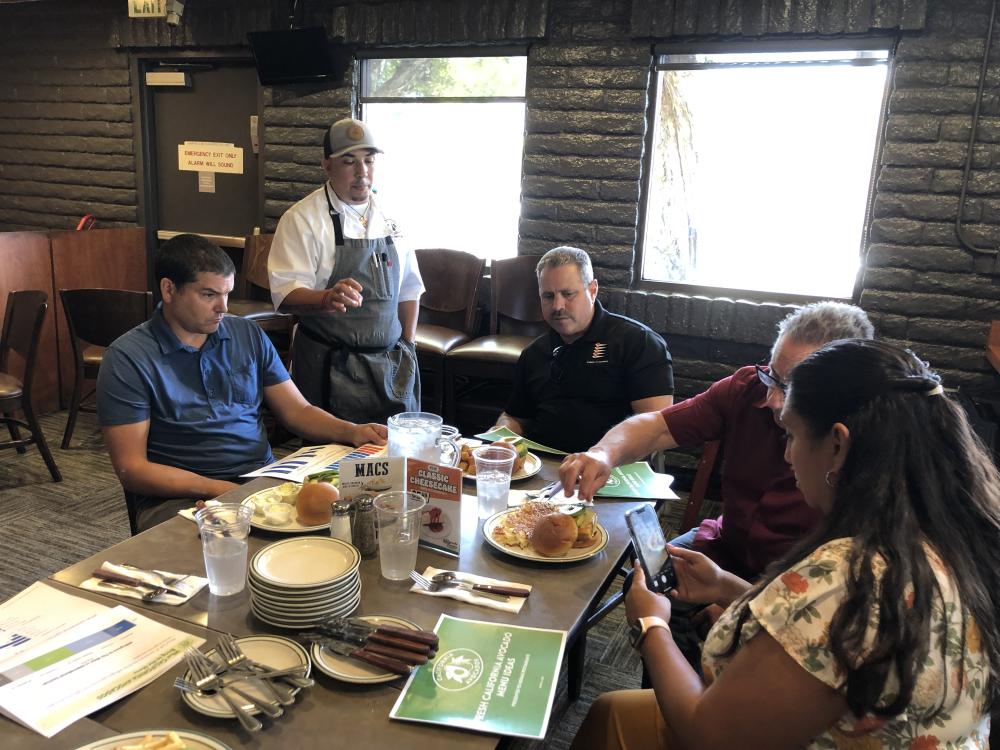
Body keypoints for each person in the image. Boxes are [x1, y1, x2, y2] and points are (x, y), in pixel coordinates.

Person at [570, 339, 1000, 750]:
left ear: (838, 443)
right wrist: (728, 586)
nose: (788, 453)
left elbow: (710, 737)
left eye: (792, 436)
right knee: (614, 710)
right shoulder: (955, 536)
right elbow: (824, 638)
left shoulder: (847, 578)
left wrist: (650, 625)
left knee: (617, 710)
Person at [560, 301, 874, 582]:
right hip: (728, 544)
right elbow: (657, 427)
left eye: (792, 387)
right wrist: (603, 453)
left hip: (800, 577)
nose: (774, 400)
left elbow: (835, 579)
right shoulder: (745, 387)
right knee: (645, 579)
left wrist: (734, 601)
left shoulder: (866, 445)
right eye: (772, 376)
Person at [97, 234, 386, 531]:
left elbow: (296, 411)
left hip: (260, 478)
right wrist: (217, 489)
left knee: (355, 520)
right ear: (169, 289)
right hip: (179, 497)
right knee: (227, 553)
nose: (223, 307)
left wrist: (352, 431)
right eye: (209, 295)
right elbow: (132, 470)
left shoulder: (246, 334)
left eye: (227, 294)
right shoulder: (128, 358)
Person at [268, 117, 424, 425]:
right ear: (327, 166)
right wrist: (326, 298)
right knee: (330, 464)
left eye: (369, 161)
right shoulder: (302, 219)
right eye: (349, 162)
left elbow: (410, 289)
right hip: (331, 367)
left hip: (392, 367)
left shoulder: (391, 217)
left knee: (396, 459)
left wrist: (408, 343)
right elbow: (285, 294)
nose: (361, 172)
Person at [495, 246, 674, 453]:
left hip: (612, 468)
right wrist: (502, 434)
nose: (557, 306)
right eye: (548, 296)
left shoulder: (639, 342)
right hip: (541, 467)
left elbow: (658, 428)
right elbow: (515, 417)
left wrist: (602, 456)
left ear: (592, 290)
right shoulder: (534, 352)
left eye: (568, 294)